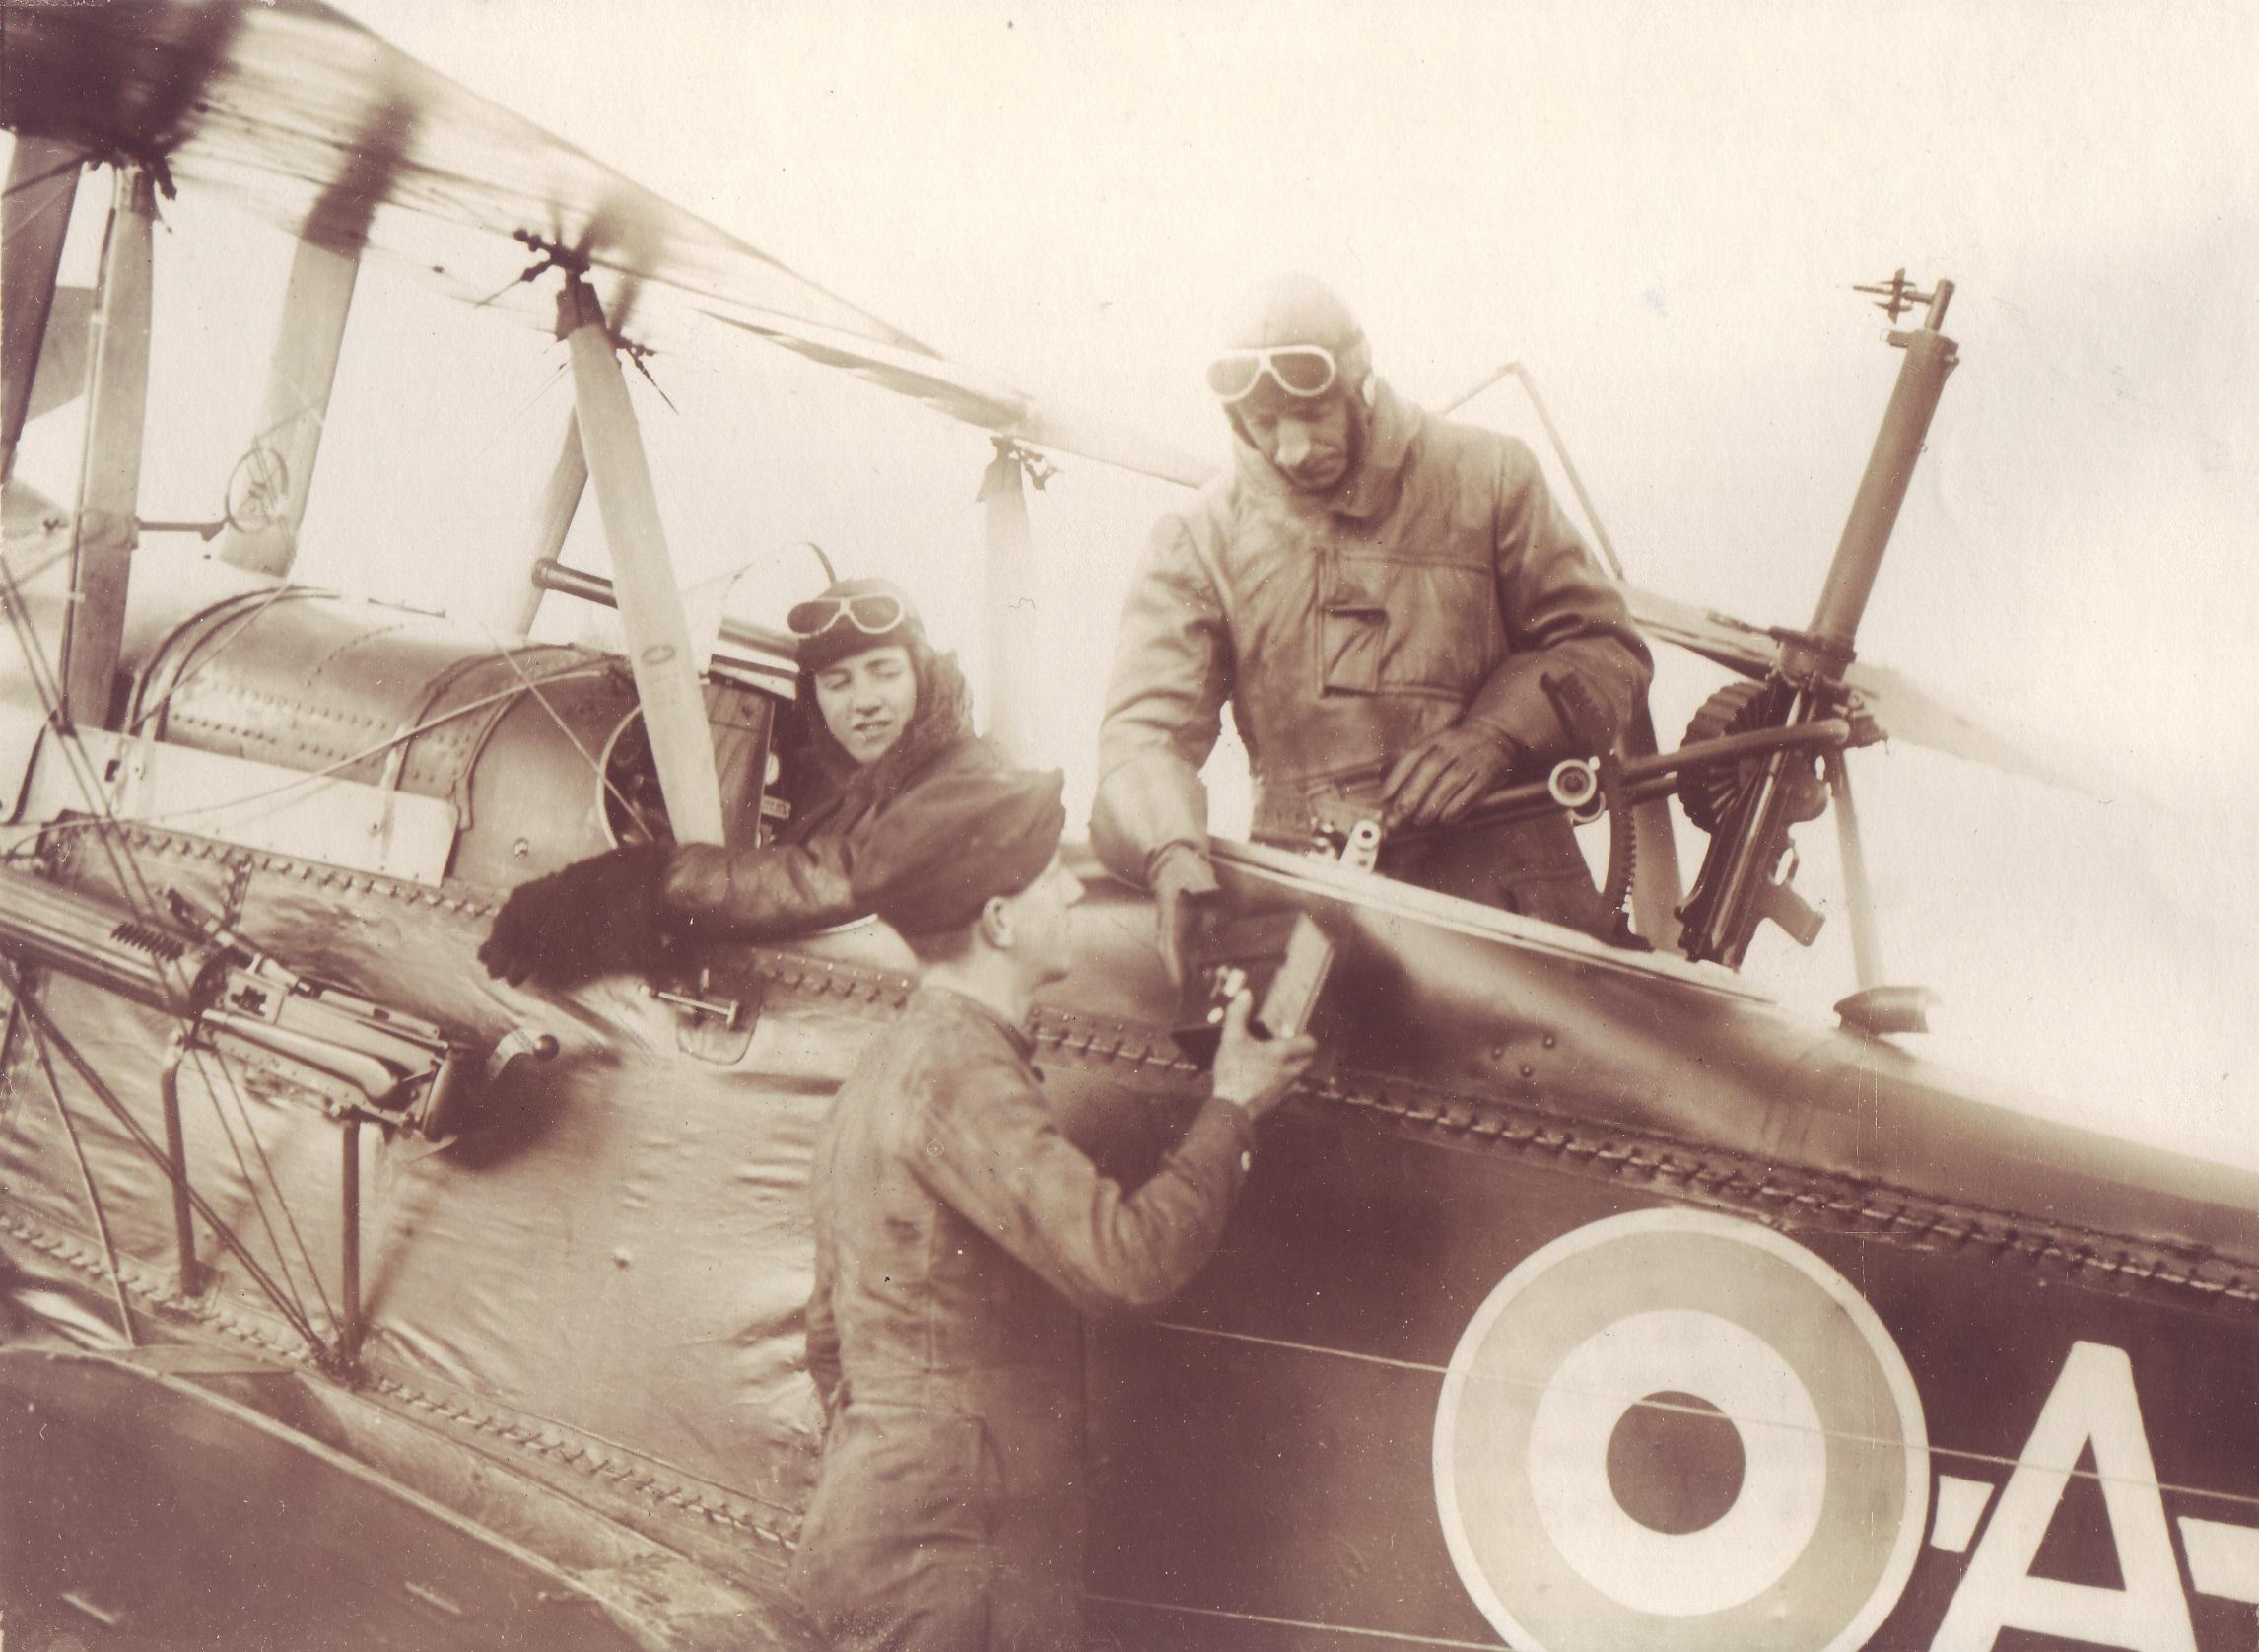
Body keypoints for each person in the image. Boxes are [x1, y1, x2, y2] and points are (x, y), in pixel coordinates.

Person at [788, 766, 1315, 1651]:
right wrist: (1232, 1107)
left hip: (886, 1542)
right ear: (1000, 921)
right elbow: (1127, 1263)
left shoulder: (889, 1064)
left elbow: (827, 1341)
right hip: (955, 1576)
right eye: (1050, 877)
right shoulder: (959, 1071)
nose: (1072, 891)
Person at [1092, 273, 1655, 978]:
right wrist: (1170, 852)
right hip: (1313, 910)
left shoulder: (1491, 476)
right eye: (1264, 423)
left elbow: (1606, 645)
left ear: (1360, 385)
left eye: (1312, 414)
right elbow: (1144, 733)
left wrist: (1496, 734)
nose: (1292, 449)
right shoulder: (1199, 538)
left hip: (1512, 907)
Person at [479, 577, 993, 987]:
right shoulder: (850, 785)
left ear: (924, 678)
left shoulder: (967, 780)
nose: (864, 702)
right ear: (815, 699)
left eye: (885, 672)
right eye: (837, 683)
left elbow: (837, 878)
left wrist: (636, 885)